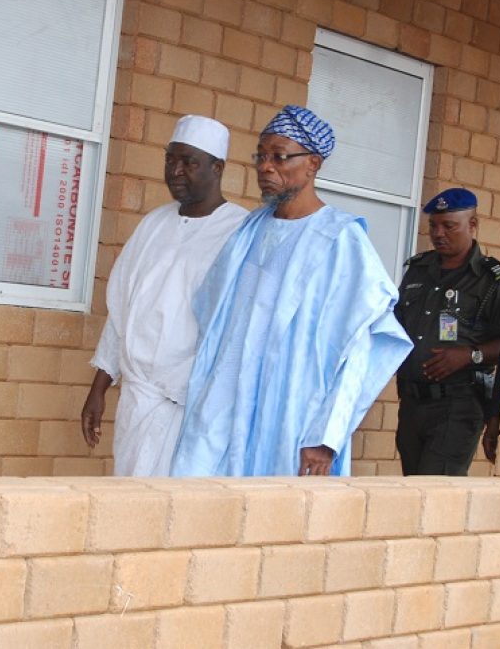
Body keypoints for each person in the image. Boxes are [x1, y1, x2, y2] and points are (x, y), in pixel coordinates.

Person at [169, 105, 413, 477]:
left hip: (291, 418)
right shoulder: (250, 230)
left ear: (312, 164)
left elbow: (362, 349)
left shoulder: (341, 240)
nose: (266, 167)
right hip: (223, 405)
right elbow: (211, 311)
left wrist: (326, 436)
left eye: (280, 157)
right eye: (261, 157)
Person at [81, 115, 247, 476]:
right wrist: (99, 388)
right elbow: (122, 312)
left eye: (189, 162)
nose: (176, 171)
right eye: (170, 159)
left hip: (193, 409)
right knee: (130, 504)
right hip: (138, 402)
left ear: (217, 168)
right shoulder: (153, 224)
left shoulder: (239, 233)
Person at [393, 188, 500, 476]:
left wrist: (470, 355)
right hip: (411, 403)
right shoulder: (418, 269)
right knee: (411, 492)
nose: (438, 234)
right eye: (433, 226)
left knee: (433, 496)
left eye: (449, 226)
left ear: (473, 225)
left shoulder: (493, 279)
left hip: (457, 406)